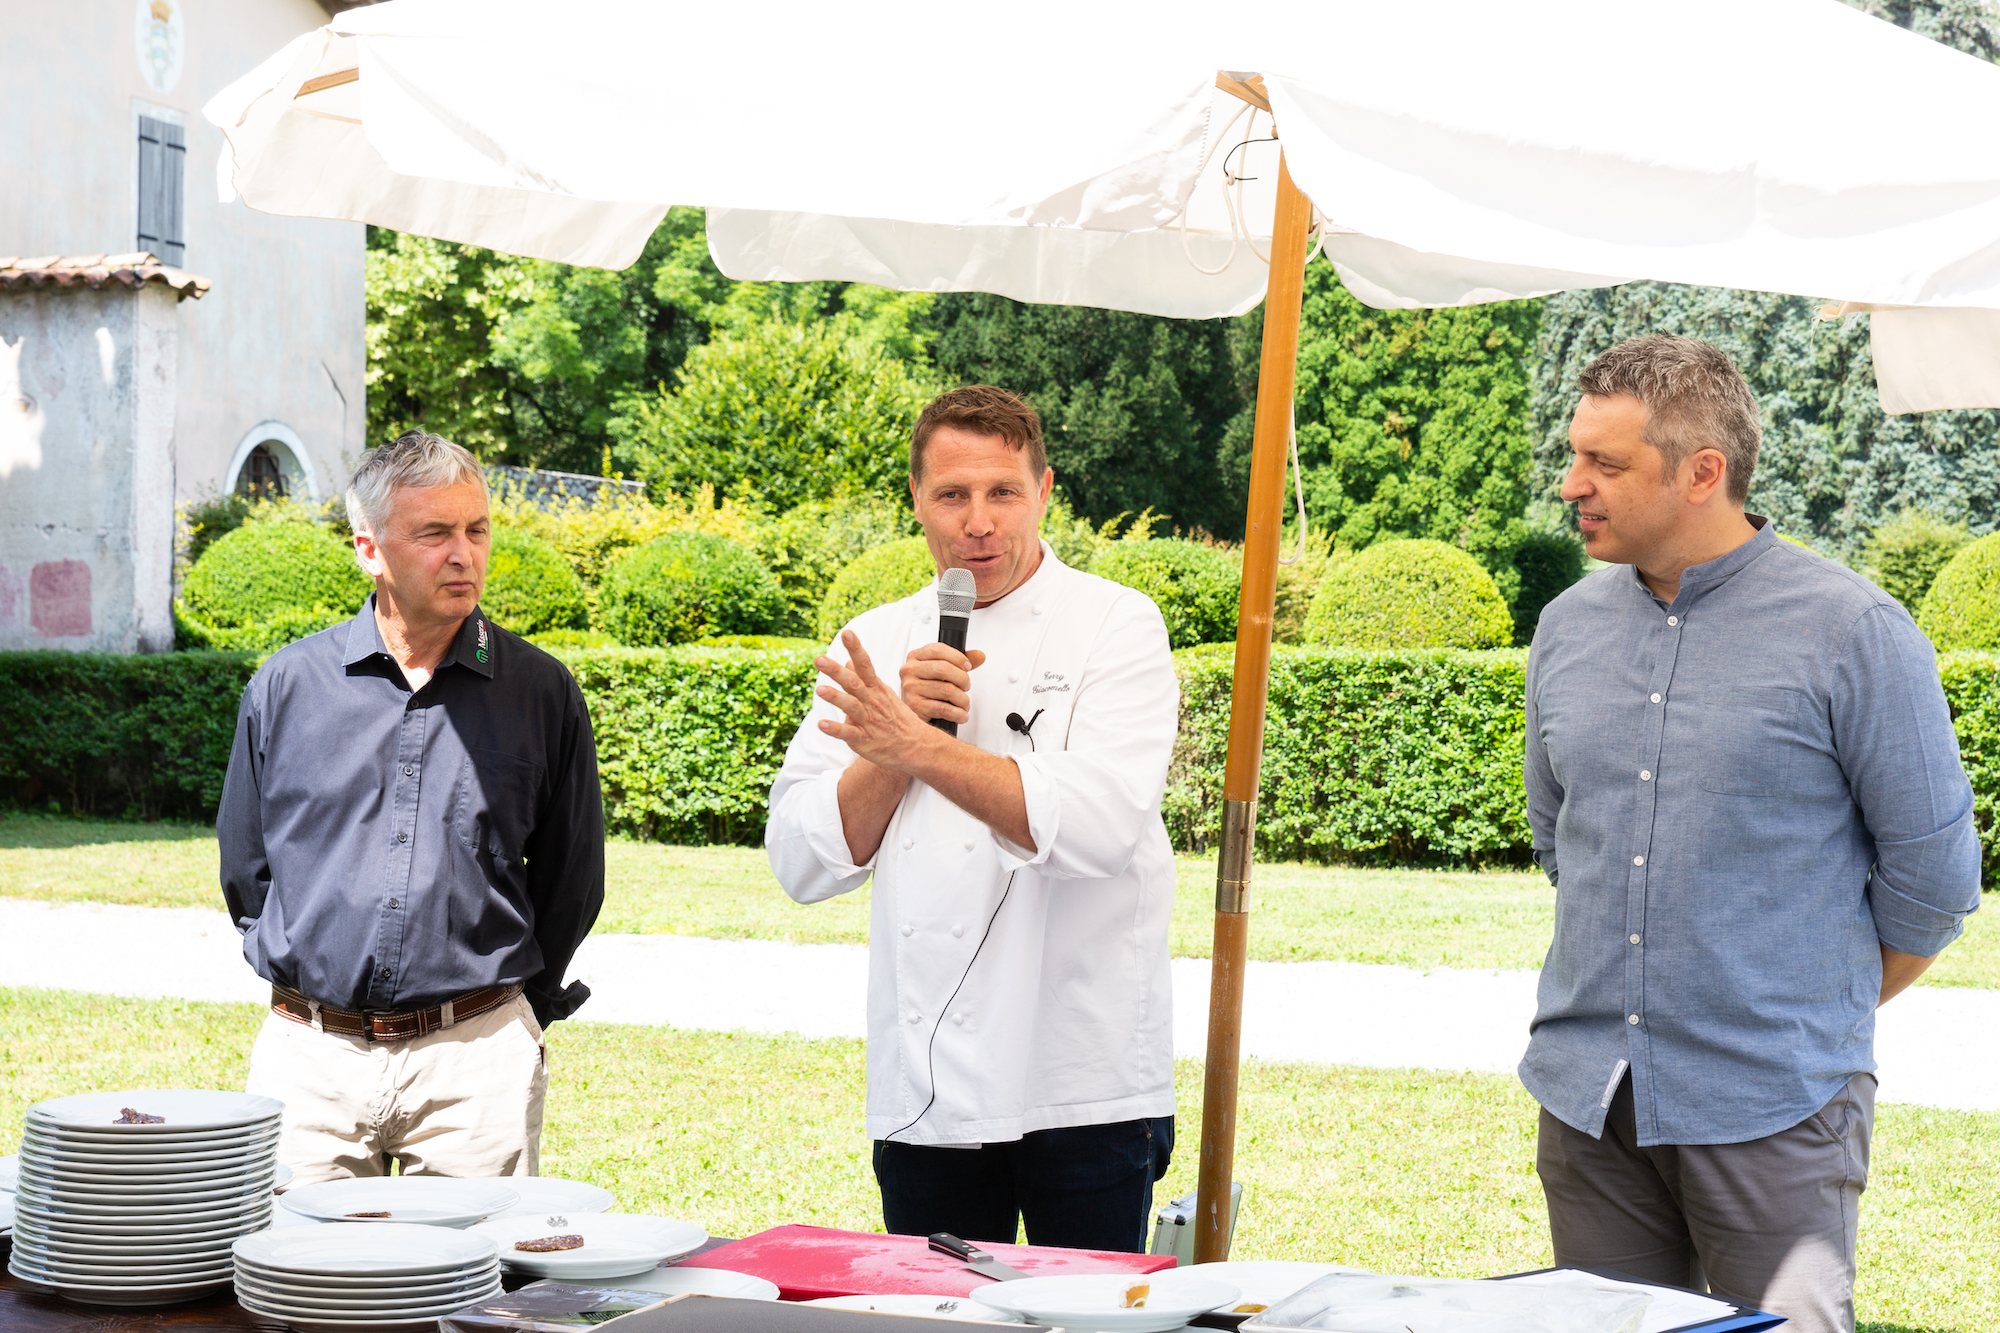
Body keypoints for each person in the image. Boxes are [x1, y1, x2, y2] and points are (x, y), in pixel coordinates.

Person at [1522, 336, 1981, 1332]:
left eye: (1604, 462)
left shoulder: (1854, 632)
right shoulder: (1563, 626)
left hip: (1775, 1107)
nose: (1572, 484)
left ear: (1701, 472)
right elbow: (1561, 838)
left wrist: (1802, 1009)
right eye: (1574, 455)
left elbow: (1934, 879)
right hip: (1587, 1102)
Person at [765, 385, 1179, 1252]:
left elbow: (1102, 824)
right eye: (952, 494)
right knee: (936, 1312)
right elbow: (800, 859)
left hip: (1084, 1079)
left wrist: (917, 744)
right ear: (916, 498)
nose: (979, 522)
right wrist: (892, 746)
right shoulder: (874, 641)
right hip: (928, 1088)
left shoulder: (1115, 623)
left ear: (1045, 492)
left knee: (1088, 1312)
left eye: (1003, 492)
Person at [219, 431, 605, 1184]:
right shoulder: (287, 686)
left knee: (472, 1264)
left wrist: (516, 1013)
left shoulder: (541, 691)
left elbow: (573, 879)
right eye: (435, 533)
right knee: (300, 1261)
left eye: (476, 529)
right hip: (310, 1064)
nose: (464, 554)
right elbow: (247, 868)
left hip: (475, 1064)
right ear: (369, 549)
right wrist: (307, 971)